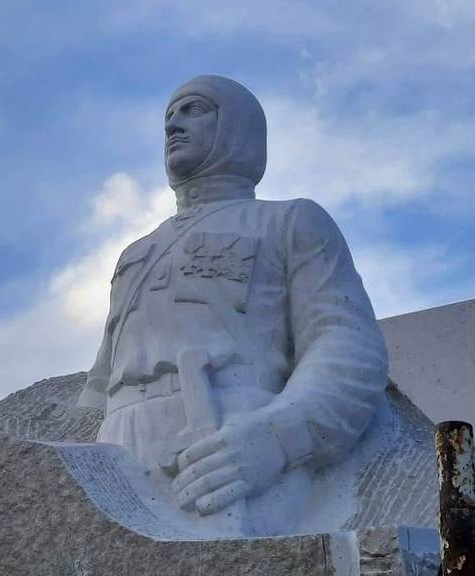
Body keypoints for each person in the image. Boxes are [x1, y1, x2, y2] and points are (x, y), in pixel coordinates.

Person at [79, 75, 389, 536]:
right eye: (168, 117)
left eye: (193, 110)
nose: (173, 126)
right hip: (118, 446)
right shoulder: (136, 253)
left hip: (229, 438)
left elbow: (346, 343)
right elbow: (98, 386)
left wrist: (281, 436)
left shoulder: (289, 221)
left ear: (239, 126)